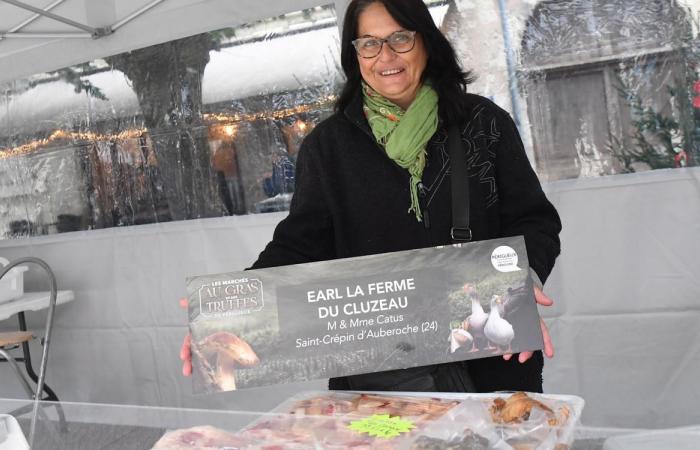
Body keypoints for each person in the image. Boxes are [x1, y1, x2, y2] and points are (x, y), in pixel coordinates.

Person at [182, 0, 560, 393]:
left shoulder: (484, 124)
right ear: (355, 54)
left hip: (491, 359)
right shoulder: (327, 147)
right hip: (380, 379)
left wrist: (522, 282)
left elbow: (534, 220)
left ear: (426, 42)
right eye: (369, 44)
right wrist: (229, 313)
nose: (386, 56)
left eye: (400, 38)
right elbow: (299, 244)